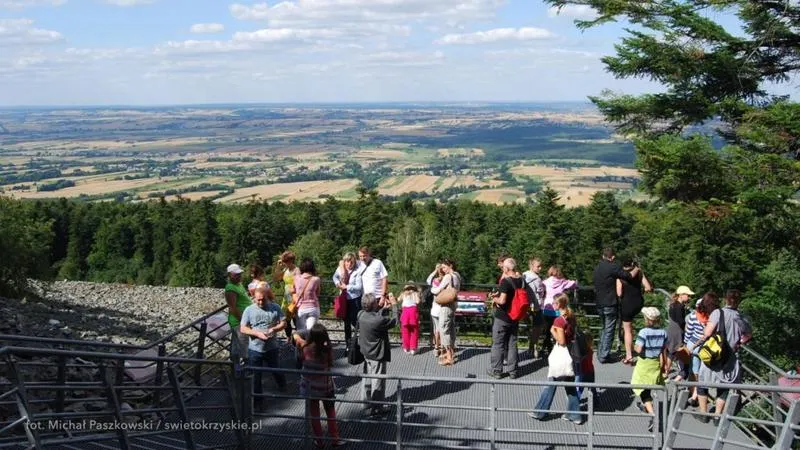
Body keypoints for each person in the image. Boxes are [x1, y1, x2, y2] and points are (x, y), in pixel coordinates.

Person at [695, 290, 752, 425]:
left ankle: (703, 414)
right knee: (724, 386)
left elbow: (708, 333)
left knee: (702, 383)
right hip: (730, 357)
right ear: (739, 301)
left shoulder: (717, 313)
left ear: (726, 299)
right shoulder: (742, 317)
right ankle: (717, 416)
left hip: (714, 355)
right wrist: (738, 342)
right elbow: (748, 335)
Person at [529, 293, 582, 424]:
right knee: (569, 386)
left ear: (558, 304)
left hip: (562, 354)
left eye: (553, 303)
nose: (552, 305)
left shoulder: (559, 321)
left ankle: (540, 412)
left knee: (551, 383)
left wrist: (552, 331)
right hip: (571, 354)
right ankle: (575, 415)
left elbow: (562, 341)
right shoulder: (571, 316)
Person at [293, 323, 345, 448]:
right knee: (330, 412)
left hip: (310, 387)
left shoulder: (304, 348)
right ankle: (335, 439)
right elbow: (330, 364)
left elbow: (295, 335)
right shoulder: (326, 351)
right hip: (325, 387)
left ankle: (319, 441)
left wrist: (300, 339)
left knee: (314, 414)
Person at [240, 285, 287, 405]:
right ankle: (258, 402)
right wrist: (257, 333)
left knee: (276, 369)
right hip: (255, 349)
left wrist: (274, 329)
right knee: (256, 377)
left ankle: (283, 387)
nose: (260, 302)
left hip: (272, 347)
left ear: (267, 297)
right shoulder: (249, 310)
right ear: (254, 298)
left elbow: (284, 323)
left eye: (263, 299)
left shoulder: (275, 307)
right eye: (258, 299)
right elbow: (243, 328)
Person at [592, 248, 640, 364]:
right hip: (609, 303)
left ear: (603, 256)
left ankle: (600, 352)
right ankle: (604, 356)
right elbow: (628, 276)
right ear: (612, 257)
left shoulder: (597, 268)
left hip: (599, 303)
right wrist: (637, 269)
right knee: (609, 330)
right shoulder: (612, 267)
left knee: (604, 329)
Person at [358, 293, 398, 417]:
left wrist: (383, 309)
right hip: (377, 354)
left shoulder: (360, 314)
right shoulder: (378, 320)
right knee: (378, 381)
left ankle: (366, 403)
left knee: (367, 378)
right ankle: (377, 408)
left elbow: (375, 318)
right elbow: (395, 321)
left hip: (365, 351)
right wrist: (395, 305)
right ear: (373, 305)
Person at [630, 307, 668, 432]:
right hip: (655, 363)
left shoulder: (644, 332)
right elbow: (664, 350)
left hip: (644, 363)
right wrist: (664, 365)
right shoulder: (663, 332)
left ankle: (653, 416)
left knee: (641, 388)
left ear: (647, 319)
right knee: (648, 387)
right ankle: (647, 406)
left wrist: (632, 346)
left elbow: (638, 349)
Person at [488, 258, 523, 379]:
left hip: (503, 316)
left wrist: (494, 299)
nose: (502, 269)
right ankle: (513, 371)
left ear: (507, 268)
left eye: (503, 267)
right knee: (512, 343)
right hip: (515, 317)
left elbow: (502, 301)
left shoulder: (505, 282)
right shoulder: (521, 280)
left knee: (498, 343)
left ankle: (496, 371)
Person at [617, 259, 653, 364]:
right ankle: (645, 347)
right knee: (646, 324)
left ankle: (629, 355)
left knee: (627, 330)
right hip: (638, 303)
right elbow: (648, 287)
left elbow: (619, 293)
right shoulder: (639, 273)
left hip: (626, 305)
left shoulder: (620, 276)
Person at [541, 266, 578, 357]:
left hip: (547, 309)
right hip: (558, 310)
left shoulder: (545, 282)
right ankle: (556, 347)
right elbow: (574, 284)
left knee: (548, 330)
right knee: (559, 329)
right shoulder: (562, 282)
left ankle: (546, 348)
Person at [431, 259, 460, 366]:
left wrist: (432, 289)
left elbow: (437, 290)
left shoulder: (448, 276)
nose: (442, 270)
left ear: (450, 266)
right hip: (453, 304)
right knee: (451, 328)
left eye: (444, 267)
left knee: (444, 329)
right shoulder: (457, 275)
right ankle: (451, 352)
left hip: (446, 305)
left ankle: (449, 356)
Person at [333, 252, 363, 350]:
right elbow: (334, 277)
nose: (349, 264)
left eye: (351, 262)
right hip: (344, 299)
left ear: (354, 262)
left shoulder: (357, 271)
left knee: (356, 322)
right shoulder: (340, 269)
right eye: (347, 262)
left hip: (354, 300)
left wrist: (347, 287)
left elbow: (359, 287)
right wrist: (337, 283)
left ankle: (360, 342)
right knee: (346, 323)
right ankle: (348, 345)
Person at [225, 263, 252, 364]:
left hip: (241, 320)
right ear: (229, 275)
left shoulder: (238, 284)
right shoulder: (230, 288)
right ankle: (246, 370)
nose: (239, 276)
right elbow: (233, 308)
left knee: (238, 346)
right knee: (244, 347)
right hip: (239, 322)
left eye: (239, 274)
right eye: (236, 274)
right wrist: (243, 322)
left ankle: (237, 369)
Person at [681, 298, 705, 407]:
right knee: (700, 371)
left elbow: (688, 332)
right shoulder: (709, 317)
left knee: (693, 370)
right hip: (706, 348)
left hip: (693, 346)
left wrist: (685, 345)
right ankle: (695, 394)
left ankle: (693, 394)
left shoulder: (693, 316)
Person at [665, 285, 693, 376]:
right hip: (677, 332)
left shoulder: (673, 304)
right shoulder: (679, 306)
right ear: (681, 295)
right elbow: (681, 321)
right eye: (687, 295)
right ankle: (669, 372)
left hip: (671, 330)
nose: (689, 297)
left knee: (670, 352)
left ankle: (666, 371)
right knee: (674, 352)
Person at [522, 257, 546, 358]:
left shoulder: (524, 275)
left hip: (525, 306)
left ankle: (531, 347)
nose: (540, 268)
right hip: (536, 306)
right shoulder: (537, 279)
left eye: (541, 266)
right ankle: (533, 347)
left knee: (531, 328)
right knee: (537, 327)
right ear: (531, 266)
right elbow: (540, 293)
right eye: (538, 266)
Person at [277, 251, 301, 342]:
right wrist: (278, 267)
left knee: (295, 318)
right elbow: (276, 278)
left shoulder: (297, 270)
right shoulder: (285, 270)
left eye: (285, 261)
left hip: (294, 297)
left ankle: (298, 337)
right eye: (284, 261)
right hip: (286, 297)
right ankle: (289, 337)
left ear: (291, 260)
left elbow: (299, 285)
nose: (284, 263)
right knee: (285, 318)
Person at [293, 258, 321, 333]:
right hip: (313, 307)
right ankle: (310, 343)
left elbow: (293, 290)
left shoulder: (296, 278)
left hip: (301, 308)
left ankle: (301, 344)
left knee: (301, 331)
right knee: (311, 332)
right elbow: (318, 293)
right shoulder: (316, 279)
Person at [426, 264, 446, 359]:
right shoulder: (447, 281)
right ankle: (443, 348)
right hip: (444, 308)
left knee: (436, 329)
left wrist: (435, 270)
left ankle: (436, 348)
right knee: (443, 329)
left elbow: (428, 279)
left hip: (435, 308)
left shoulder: (435, 281)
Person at [398, 283, 421, 355]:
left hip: (405, 312)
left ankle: (406, 347)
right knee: (414, 331)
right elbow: (418, 301)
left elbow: (398, 299)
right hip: (413, 312)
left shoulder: (403, 294)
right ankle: (413, 349)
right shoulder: (415, 293)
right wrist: (417, 293)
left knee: (405, 331)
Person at [576, 333, 597, 403]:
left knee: (580, 388)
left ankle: (576, 401)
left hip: (584, 371)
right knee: (591, 388)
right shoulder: (590, 350)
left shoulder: (584, 351)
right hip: (590, 371)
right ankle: (595, 401)